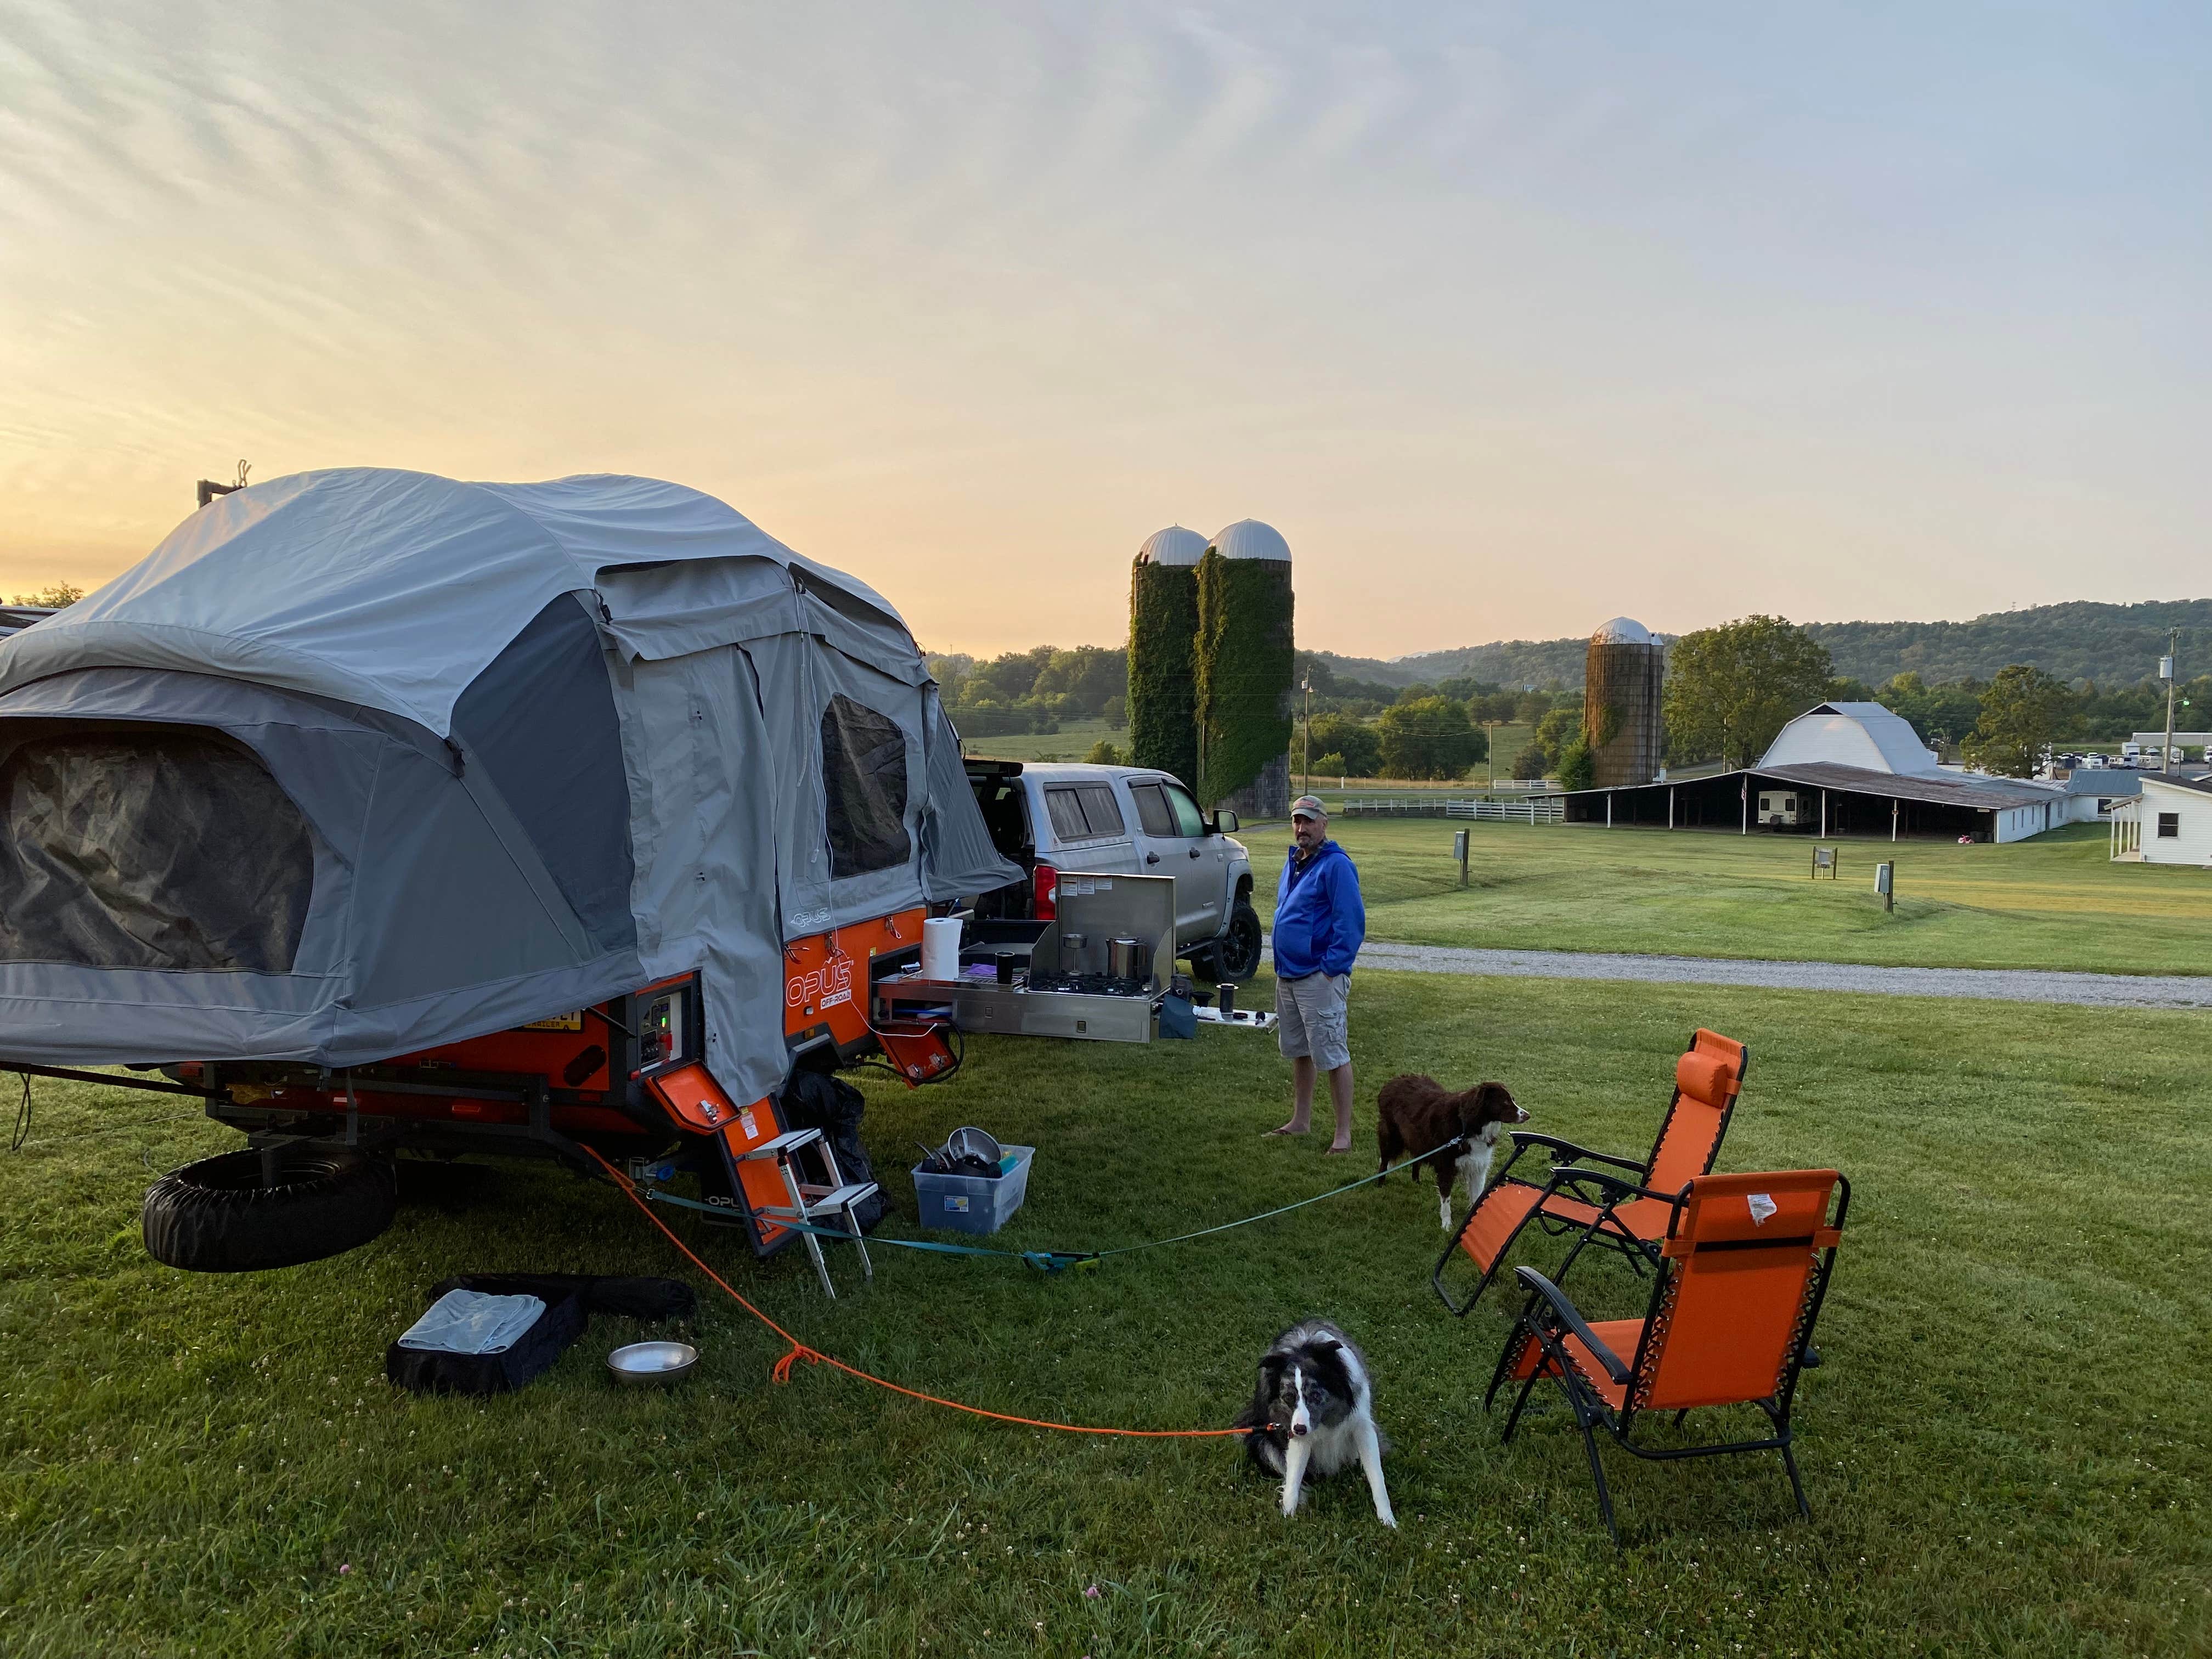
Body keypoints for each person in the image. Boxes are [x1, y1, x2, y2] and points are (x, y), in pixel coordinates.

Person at [1265, 795, 1365, 1152]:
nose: (1301, 828)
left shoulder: (1336, 865)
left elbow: (1350, 924)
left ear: (1324, 823)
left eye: (1308, 821)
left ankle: (1343, 1135)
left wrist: (1330, 970)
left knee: (1333, 1053)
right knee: (1301, 1051)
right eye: (1296, 821)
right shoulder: (1293, 861)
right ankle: (1301, 1121)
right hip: (1289, 974)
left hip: (1318, 977)